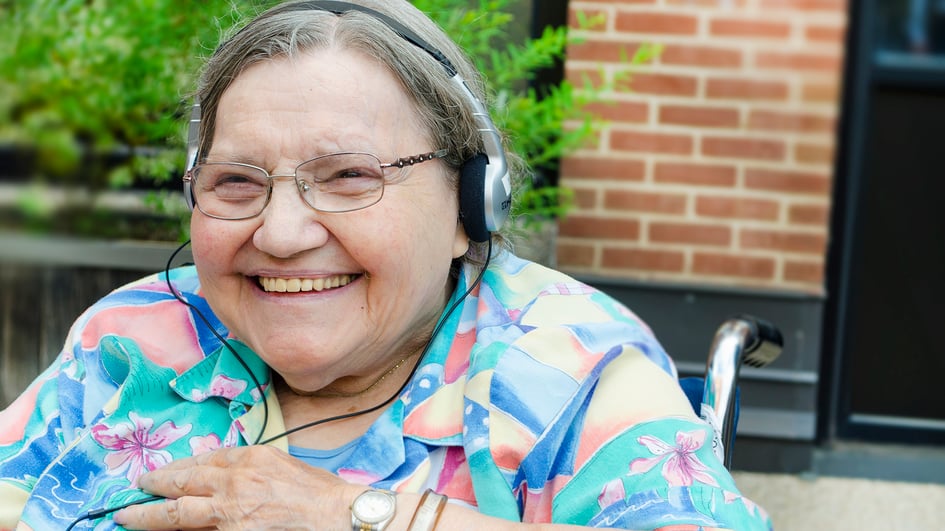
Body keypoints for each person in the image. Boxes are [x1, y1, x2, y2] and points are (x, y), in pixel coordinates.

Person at [0, 1, 772, 529]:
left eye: (348, 176)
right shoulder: (131, 339)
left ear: (469, 206)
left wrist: (352, 513)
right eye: (236, 182)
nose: (281, 233)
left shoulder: (572, 373)